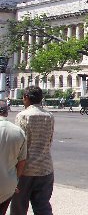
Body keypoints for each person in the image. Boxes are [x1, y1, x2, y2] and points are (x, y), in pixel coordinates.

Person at [10, 86, 55, 215]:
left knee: (19, 207)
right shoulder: (49, 116)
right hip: (45, 168)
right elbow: (49, 140)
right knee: (43, 207)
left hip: (25, 170)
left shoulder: (22, 116)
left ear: (26, 98)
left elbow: (19, 144)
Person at [0, 100, 27, 215]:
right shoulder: (18, 132)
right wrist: (15, 181)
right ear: (6, 113)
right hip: (8, 185)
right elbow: (22, 161)